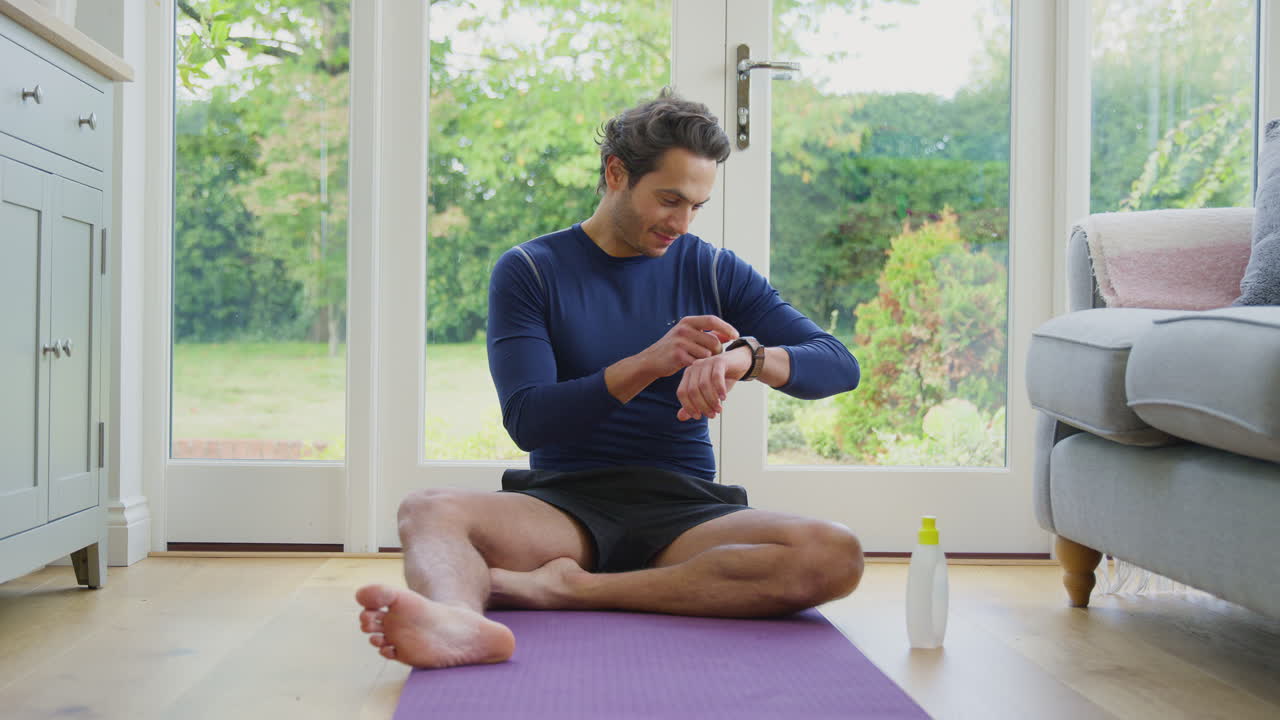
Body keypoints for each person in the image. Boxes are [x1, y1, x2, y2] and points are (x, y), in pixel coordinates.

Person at [356, 89, 862, 669]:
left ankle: (564, 590)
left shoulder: (714, 269)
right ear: (616, 173)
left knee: (835, 553)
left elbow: (837, 364)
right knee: (427, 511)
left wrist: (745, 357)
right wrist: (649, 361)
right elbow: (529, 419)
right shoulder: (530, 271)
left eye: (697, 205)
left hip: (686, 511)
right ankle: (458, 625)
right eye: (669, 200)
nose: (682, 222)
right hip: (562, 509)